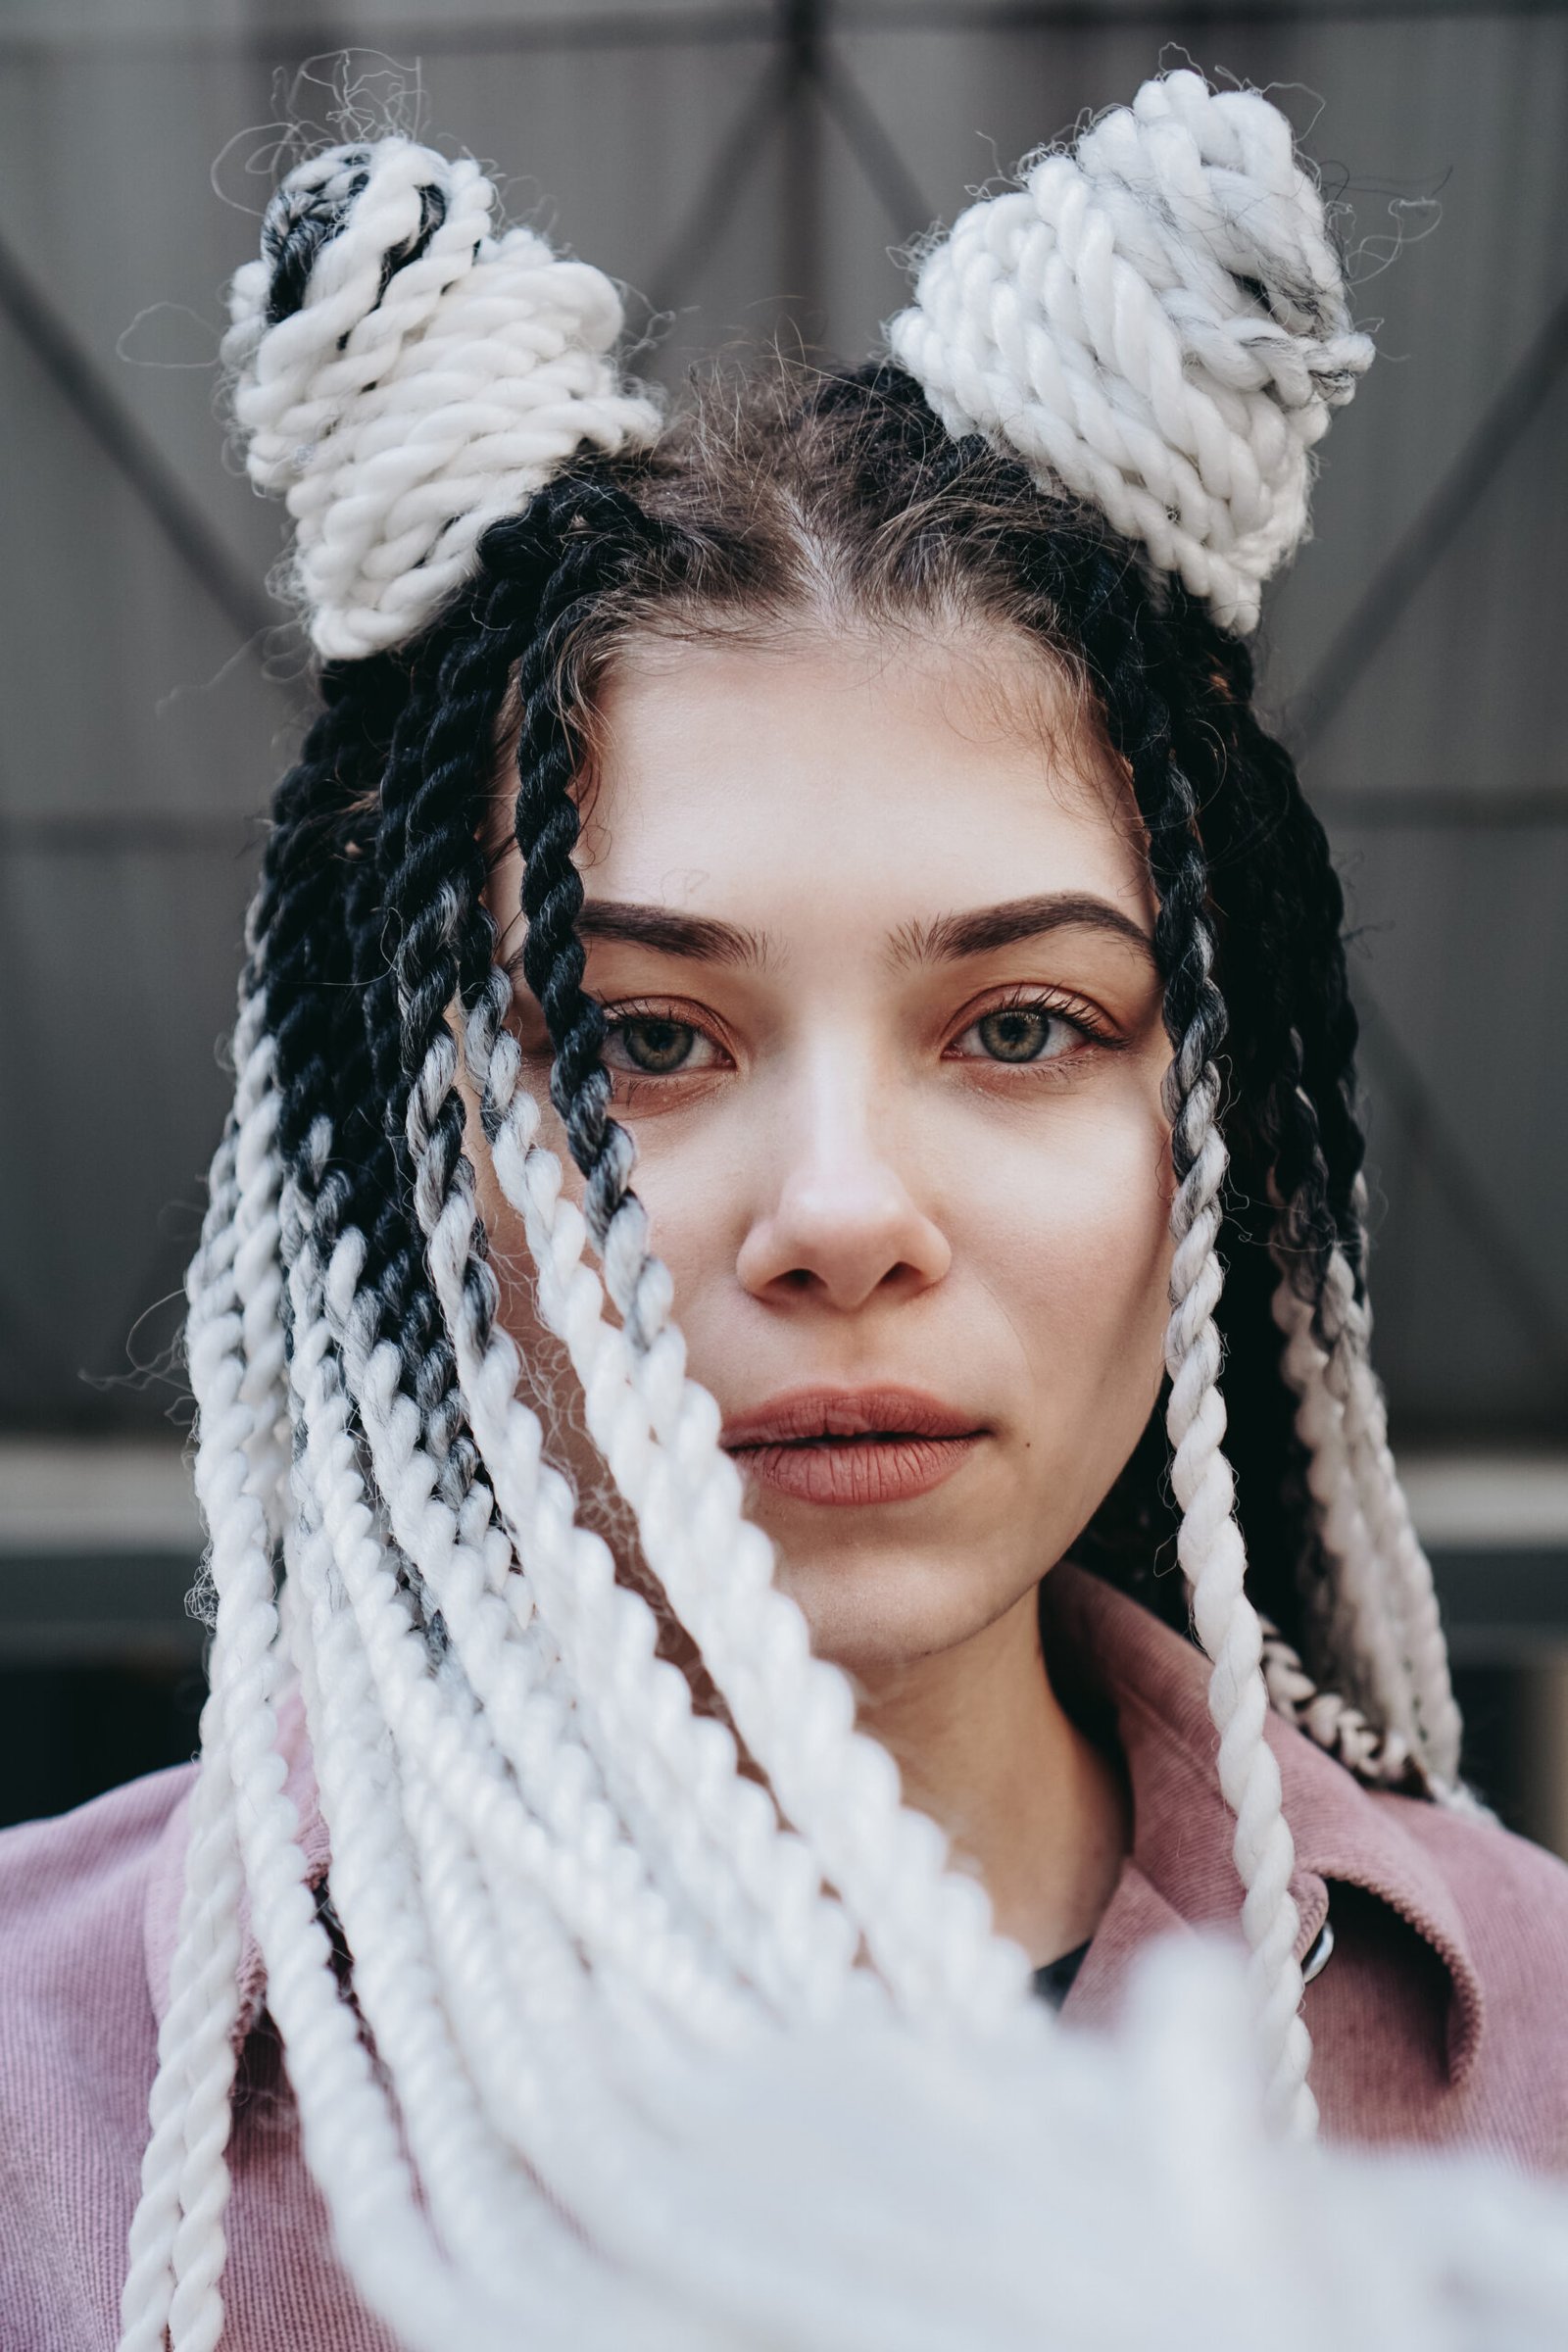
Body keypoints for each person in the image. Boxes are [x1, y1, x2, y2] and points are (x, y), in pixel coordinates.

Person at [3, 65, 1567, 2352]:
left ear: (1202, 1137)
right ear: (409, 1161)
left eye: (1022, 1026)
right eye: (641, 1040)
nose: (837, 1221)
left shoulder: (1527, 2039)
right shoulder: (44, 2060)